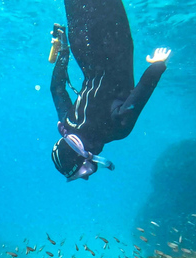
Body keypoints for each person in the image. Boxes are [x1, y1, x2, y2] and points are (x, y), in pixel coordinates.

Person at [49, 0, 171, 182]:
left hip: (113, 42)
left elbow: (141, 93)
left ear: (84, 156)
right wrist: (64, 52)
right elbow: (56, 88)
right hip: (82, 46)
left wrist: (157, 66)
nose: (90, 173)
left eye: (86, 171)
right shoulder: (66, 123)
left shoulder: (116, 130)